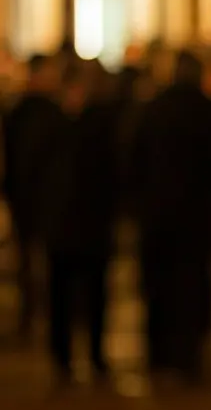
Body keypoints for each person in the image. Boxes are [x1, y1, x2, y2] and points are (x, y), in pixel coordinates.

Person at [131, 51, 211, 380]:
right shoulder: (209, 110)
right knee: (191, 283)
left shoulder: (153, 109)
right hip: (196, 214)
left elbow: (133, 158)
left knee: (158, 282)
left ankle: (158, 351)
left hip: (157, 211)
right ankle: (188, 353)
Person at [42, 61, 121, 383]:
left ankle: (89, 355)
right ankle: (68, 357)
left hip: (84, 221)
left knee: (89, 291)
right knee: (65, 292)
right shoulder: (55, 123)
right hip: (70, 221)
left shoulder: (95, 123)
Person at [2, 54, 62, 343]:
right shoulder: (31, 111)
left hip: (34, 198)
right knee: (32, 260)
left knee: (36, 260)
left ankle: (38, 314)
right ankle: (36, 314)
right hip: (33, 198)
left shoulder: (30, 110)